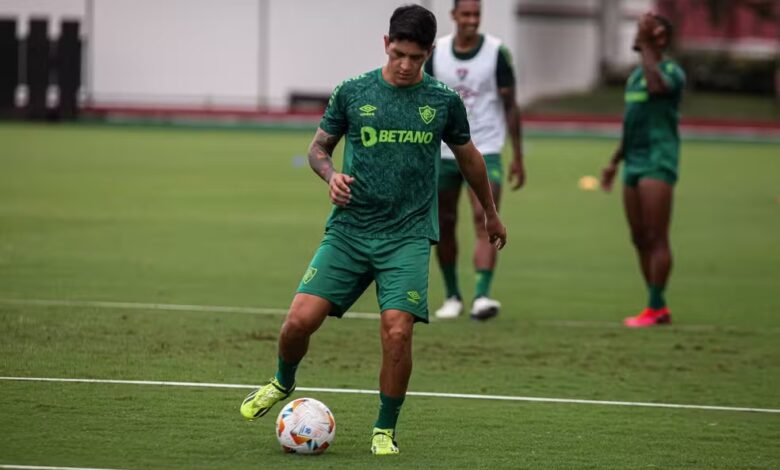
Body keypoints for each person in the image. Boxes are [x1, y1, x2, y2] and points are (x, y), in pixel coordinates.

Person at [239, 4, 507, 456]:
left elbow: (468, 156)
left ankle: (384, 429)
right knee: (297, 324)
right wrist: (331, 176)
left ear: (428, 55)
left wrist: (490, 212)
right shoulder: (352, 91)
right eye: (399, 54)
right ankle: (283, 381)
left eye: (416, 58)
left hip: (406, 236)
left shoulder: (443, 101)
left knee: (397, 331)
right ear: (386, 44)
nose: (405, 65)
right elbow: (318, 149)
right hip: (349, 232)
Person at [424, 0, 525, 321]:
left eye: (476, 15)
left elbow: (511, 106)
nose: (471, 20)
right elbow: (422, 100)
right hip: (442, 151)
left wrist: (518, 156)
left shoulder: (496, 53)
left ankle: (482, 295)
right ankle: (452, 295)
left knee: (485, 216)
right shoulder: (436, 53)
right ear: (453, 16)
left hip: (487, 148)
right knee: (445, 223)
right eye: (465, 14)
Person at [601, 12, 685, 328]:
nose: (638, 35)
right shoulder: (635, 77)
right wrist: (614, 161)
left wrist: (648, 45)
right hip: (633, 161)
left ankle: (654, 306)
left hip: (658, 160)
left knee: (656, 235)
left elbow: (658, 86)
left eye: (647, 32)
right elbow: (631, 123)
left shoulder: (671, 72)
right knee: (638, 237)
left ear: (660, 39)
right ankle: (657, 305)